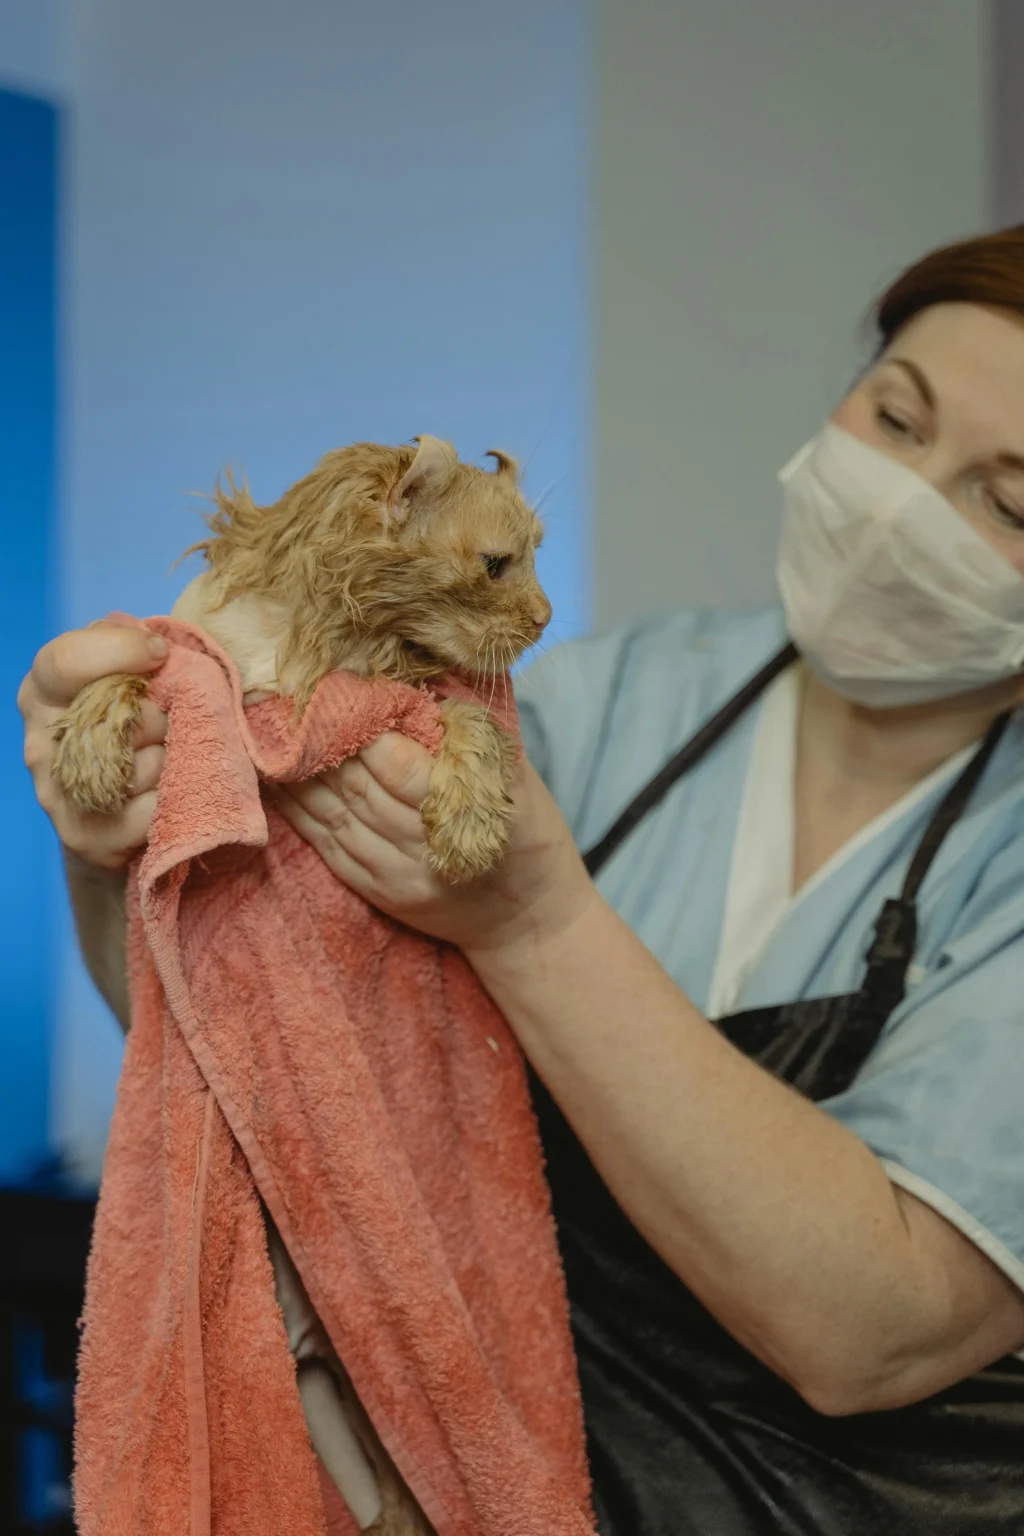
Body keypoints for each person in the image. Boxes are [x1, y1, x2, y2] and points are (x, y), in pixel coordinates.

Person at [19, 226, 1024, 1534]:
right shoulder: (627, 697)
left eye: (1009, 501)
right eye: (896, 416)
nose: (902, 504)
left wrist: (534, 922)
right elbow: (274, 1041)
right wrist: (133, 841)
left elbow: (871, 1335)